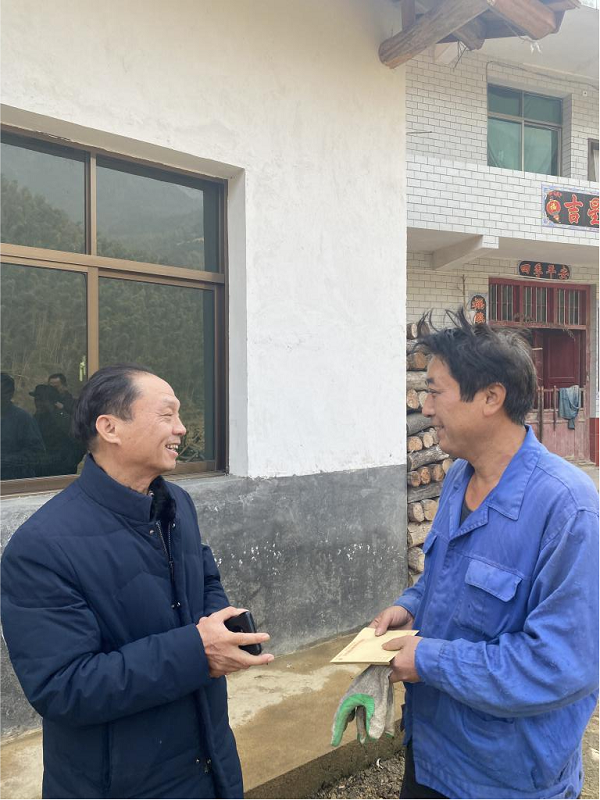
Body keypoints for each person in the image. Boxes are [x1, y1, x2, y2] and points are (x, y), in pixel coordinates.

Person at [1, 364, 274, 799]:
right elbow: (63, 687)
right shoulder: (41, 548)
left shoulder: (176, 503)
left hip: (209, 760)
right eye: (167, 415)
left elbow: (204, 575)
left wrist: (219, 629)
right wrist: (196, 652)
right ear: (109, 427)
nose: (181, 428)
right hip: (119, 784)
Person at [370, 310, 598, 800]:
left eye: (435, 391)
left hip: (506, 779)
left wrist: (430, 660)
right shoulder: (459, 477)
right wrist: (409, 606)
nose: (425, 408)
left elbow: (560, 665)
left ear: (491, 397)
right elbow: (444, 580)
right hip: (432, 753)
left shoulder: (567, 508)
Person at [30, 384, 84, 476]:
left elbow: (79, 444)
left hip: (61, 471)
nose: (38, 404)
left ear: (51, 402)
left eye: (42, 400)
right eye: (36, 400)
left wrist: (68, 463)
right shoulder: (37, 418)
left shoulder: (63, 419)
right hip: (41, 471)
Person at [0, 371, 45, 480]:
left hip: (15, 483)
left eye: (1, 393)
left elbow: (37, 454)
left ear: (10, 394)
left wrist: (5, 461)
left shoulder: (24, 419)